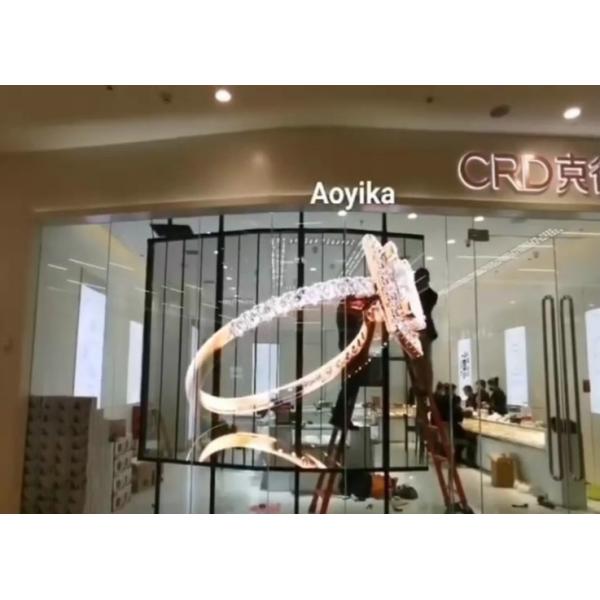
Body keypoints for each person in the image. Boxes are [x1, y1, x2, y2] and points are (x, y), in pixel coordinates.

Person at [404, 268, 438, 459]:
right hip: (419, 332)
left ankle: (425, 387)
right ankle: (422, 387)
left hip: (423, 331)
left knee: (423, 361)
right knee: (419, 362)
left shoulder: (428, 295)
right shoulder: (421, 294)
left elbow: (418, 311)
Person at [330, 296, 375, 430]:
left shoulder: (346, 307)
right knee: (350, 386)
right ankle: (340, 417)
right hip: (352, 352)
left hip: (351, 351)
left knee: (350, 386)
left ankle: (341, 417)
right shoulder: (347, 306)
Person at [436, 384, 477, 467]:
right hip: (454, 433)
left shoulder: (441, 401)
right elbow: (460, 419)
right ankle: (470, 462)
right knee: (472, 439)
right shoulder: (454, 407)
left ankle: (457, 457)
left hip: (445, 429)